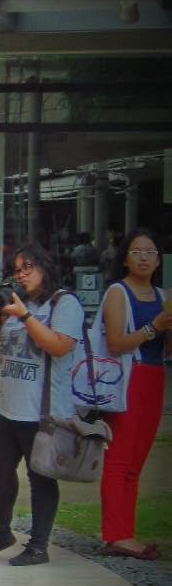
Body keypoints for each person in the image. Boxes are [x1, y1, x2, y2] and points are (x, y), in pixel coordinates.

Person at [0, 242, 84, 568]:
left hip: (42, 411)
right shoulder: (15, 301)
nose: (21, 275)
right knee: (0, 472)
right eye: (16, 270)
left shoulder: (64, 303)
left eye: (28, 268)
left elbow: (59, 346)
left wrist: (24, 315)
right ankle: (0, 532)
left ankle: (38, 545)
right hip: (8, 406)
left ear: (45, 267)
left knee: (41, 477)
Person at [98, 228, 171, 559]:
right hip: (128, 377)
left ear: (158, 260)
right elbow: (116, 343)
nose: (144, 258)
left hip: (154, 376)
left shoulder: (162, 295)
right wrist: (154, 327)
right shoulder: (119, 293)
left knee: (137, 459)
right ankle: (116, 534)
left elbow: (166, 350)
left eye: (150, 252)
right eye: (137, 252)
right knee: (120, 457)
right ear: (125, 258)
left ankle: (125, 531)